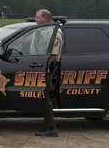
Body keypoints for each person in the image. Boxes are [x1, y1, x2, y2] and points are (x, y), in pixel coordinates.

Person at [33, 8, 63, 137]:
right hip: (41, 66)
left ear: (45, 18)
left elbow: (52, 55)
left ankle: (51, 128)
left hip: (48, 68)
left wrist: (41, 68)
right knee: (44, 97)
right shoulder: (44, 31)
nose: (35, 19)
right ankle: (47, 125)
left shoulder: (55, 33)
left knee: (45, 97)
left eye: (37, 17)